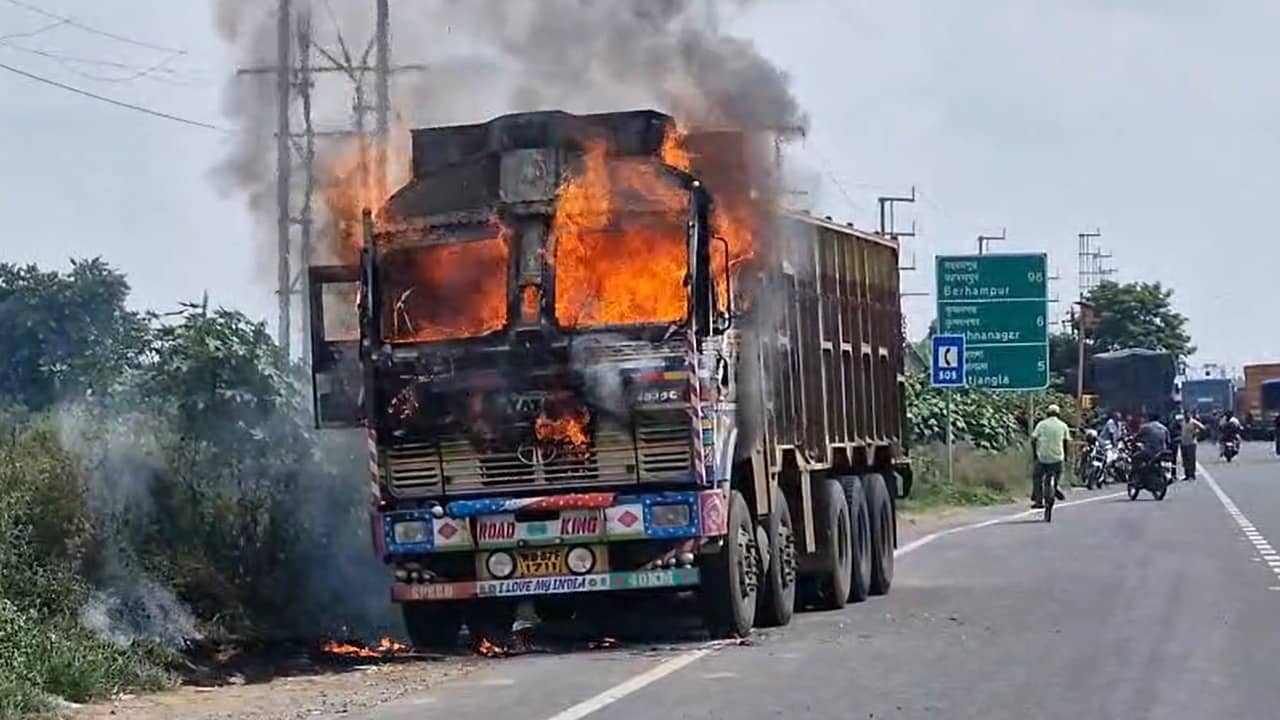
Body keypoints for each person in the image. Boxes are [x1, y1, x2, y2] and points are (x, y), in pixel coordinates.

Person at [1031, 404, 1071, 509]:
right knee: (1058, 473)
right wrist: (1066, 456)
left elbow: (1033, 439)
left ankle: (1039, 501)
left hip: (1043, 457)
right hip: (1058, 458)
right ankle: (1056, 487)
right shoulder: (1063, 425)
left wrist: (1035, 454)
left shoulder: (1041, 424)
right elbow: (1066, 442)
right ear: (1058, 414)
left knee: (1037, 477)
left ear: (1047, 413)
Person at [1179, 413, 1206, 481]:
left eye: (1187, 415)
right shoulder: (1182, 422)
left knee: (1191, 460)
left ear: (1190, 415)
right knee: (1185, 460)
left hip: (1191, 443)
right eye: (1185, 415)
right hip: (1183, 443)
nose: (1186, 417)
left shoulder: (1193, 422)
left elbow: (1203, 428)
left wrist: (1196, 434)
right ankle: (1187, 475)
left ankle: (1192, 475)